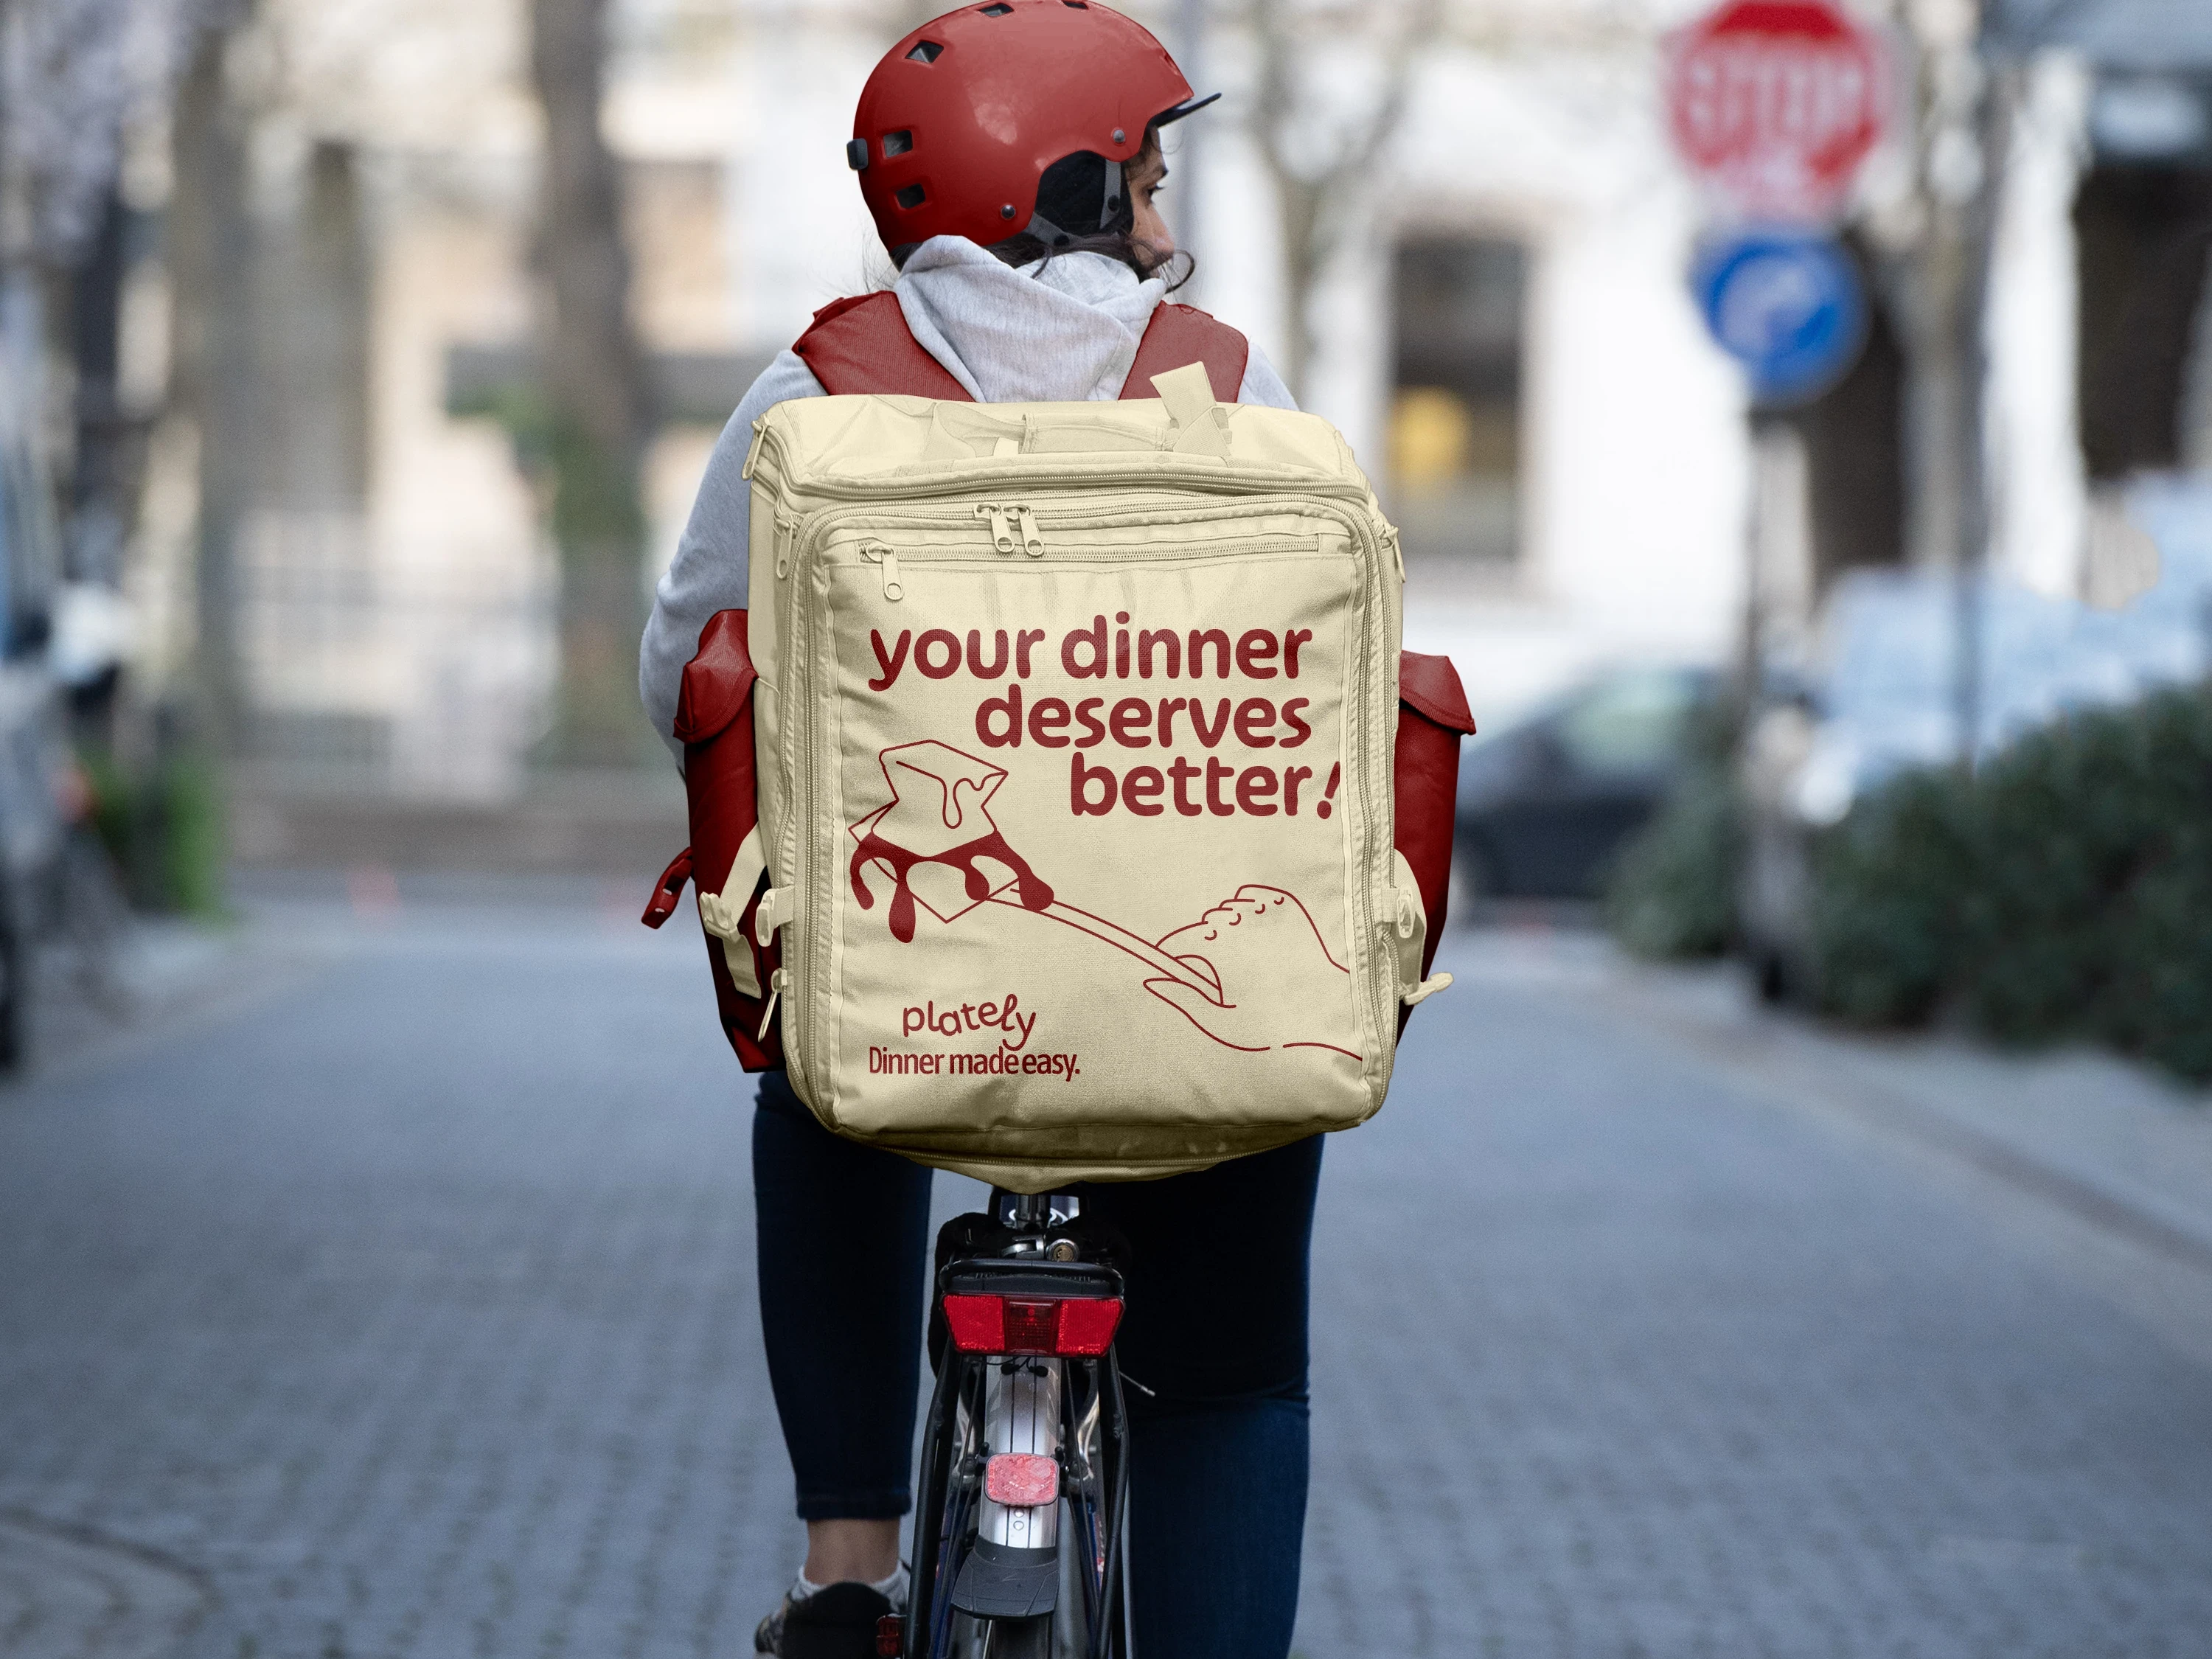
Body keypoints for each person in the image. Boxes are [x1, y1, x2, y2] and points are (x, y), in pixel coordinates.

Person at [639, 6, 1316, 1655]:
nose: (1165, 223)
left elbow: (682, 673)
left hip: (922, 978)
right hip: (1171, 1012)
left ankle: (849, 1565)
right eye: (1143, 182)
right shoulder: (1226, 386)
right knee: (1231, 1344)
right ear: (1068, 190)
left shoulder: (816, 388)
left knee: (819, 1080)